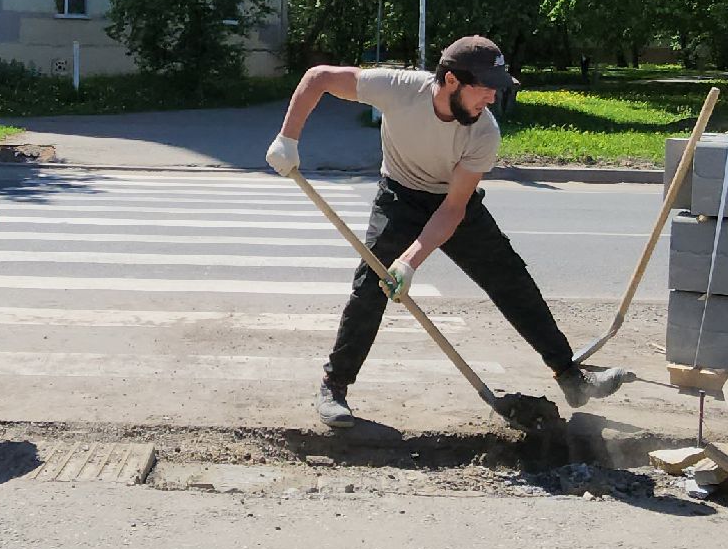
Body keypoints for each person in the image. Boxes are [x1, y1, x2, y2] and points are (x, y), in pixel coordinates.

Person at [265, 35, 634, 428]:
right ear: (453, 80)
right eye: (485, 87)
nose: (491, 97)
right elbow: (319, 77)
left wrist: (409, 262)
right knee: (370, 286)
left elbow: (453, 208)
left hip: (454, 204)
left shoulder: (484, 131)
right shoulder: (398, 89)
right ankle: (334, 385)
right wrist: (287, 139)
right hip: (399, 197)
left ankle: (570, 376)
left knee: (511, 280)